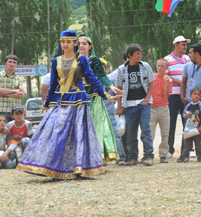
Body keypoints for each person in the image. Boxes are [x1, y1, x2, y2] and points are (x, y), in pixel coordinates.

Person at [17, 30, 115, 179]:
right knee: (56, 132)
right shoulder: (56, 61)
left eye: (68, 42)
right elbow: (53, 84)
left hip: (79, 102)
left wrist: (104, 94)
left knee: (79, 135)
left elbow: (91, 77)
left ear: (75, 43)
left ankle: (79, 168)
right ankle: (51, 166)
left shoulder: (82, 60)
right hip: (61, 101)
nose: (65, 44)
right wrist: (47, 103)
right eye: (63, 42)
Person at [78, 34, 122, 163]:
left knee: (97, 128)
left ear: (90, 46)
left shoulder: (94, 60)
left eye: (84, 43)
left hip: (94, 99)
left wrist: (110, 86)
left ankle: (98, 158)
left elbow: (101, 76)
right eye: (79, 43)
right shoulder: (72, 60)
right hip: (77, 99)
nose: (81, 46)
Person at [116, 44, 155, 166]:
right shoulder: (122, 69)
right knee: (131, 133)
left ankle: (148, 156)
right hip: (128, 105)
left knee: (145, 130)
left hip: (143, 103)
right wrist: (120, 106)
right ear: (130, 55)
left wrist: (147, 99)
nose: (139, 56)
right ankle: (133, 157)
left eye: (140, 53)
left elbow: (151, 83)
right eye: (137, 54)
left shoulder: (145, 66)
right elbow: (119, 87)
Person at [164, 35, 191, 159]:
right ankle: (170, 149)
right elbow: (165, 77)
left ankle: (187, 149)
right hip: (172, 96)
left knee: (188, 122)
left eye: (186, 44)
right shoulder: (167, 59)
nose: (185, 47)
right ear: (176, 45)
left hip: (185, 96)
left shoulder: (188, 59)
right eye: (183, 44)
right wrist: (181, 83)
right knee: (171, 123)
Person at [150, 59, 171, 163]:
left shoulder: (168, 79)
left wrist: (167, 84)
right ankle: (148, 153)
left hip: (163, 108)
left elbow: (166, 96)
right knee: (150, 132)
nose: (160, 68)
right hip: (152, 108)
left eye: (162, 66)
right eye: (158, 65)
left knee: (165, 132)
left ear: (167, 68)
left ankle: (163, 154)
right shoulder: (152, 77)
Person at [177, 88, 201, 163]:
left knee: (199, 143)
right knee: (187, 143)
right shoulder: (188, 105)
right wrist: (187, 116)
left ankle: (200, 157)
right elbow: (184, 114)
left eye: (198, 94)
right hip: (189, 127)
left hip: (198, 127)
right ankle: (185, 157)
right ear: (190, 95)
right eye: (194, 94)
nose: (196, 96)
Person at [0, 55, 24, 123]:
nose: (12, 64)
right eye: (10, 62)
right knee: (2, 133)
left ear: (17, 65)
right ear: (5, 63)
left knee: (15, 133)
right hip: (2, 110)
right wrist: (15, 91)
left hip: (16, 112)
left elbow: (21, 95)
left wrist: (4, 93)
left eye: (14, 62)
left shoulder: (19, 79)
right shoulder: (0, 76)